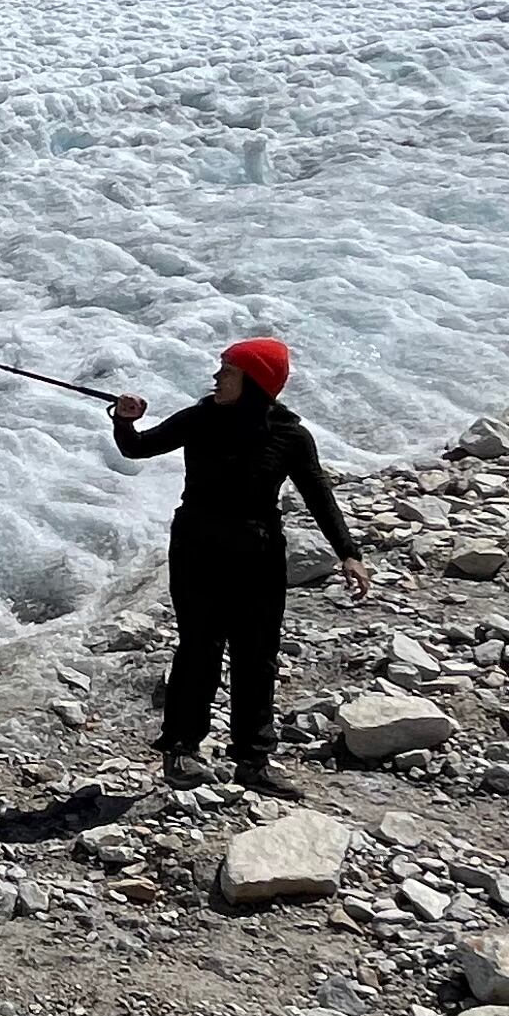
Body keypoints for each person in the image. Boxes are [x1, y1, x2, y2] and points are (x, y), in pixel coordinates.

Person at [109, 336, 370, 796]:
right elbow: (138, 449)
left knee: (257, 656)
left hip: (259, 553)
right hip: (197, 547)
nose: (215, 378)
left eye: (226, 371)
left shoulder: (290, 435)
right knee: (199, 648)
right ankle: (181, 751)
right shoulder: (201, 416)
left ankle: (253, 760)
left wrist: (349, 552)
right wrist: (126, 422)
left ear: (253, 382)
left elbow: (317, 492)